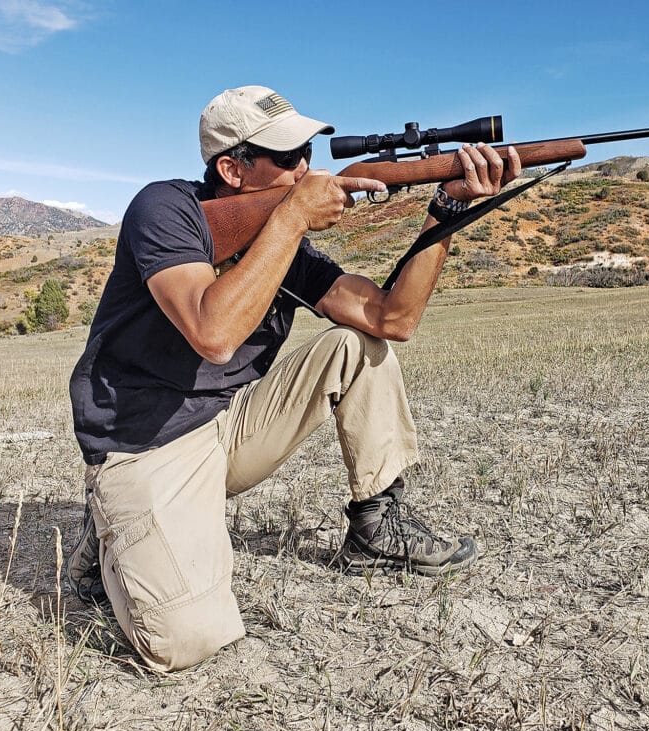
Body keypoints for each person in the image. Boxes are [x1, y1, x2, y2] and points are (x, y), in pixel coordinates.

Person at [66, 85, 520, 672]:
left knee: (356, 344)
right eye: (285, 158)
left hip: (229, 426)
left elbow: (392, 318)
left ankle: (376, 526)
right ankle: (107, 530)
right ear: (231, 168)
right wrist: (292, 217)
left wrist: (447, 213)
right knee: (187, 639)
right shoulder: (164, 209)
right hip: (145, 445)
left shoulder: (283, 239)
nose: (304, 167)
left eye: (307, 151)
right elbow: (213, 332)